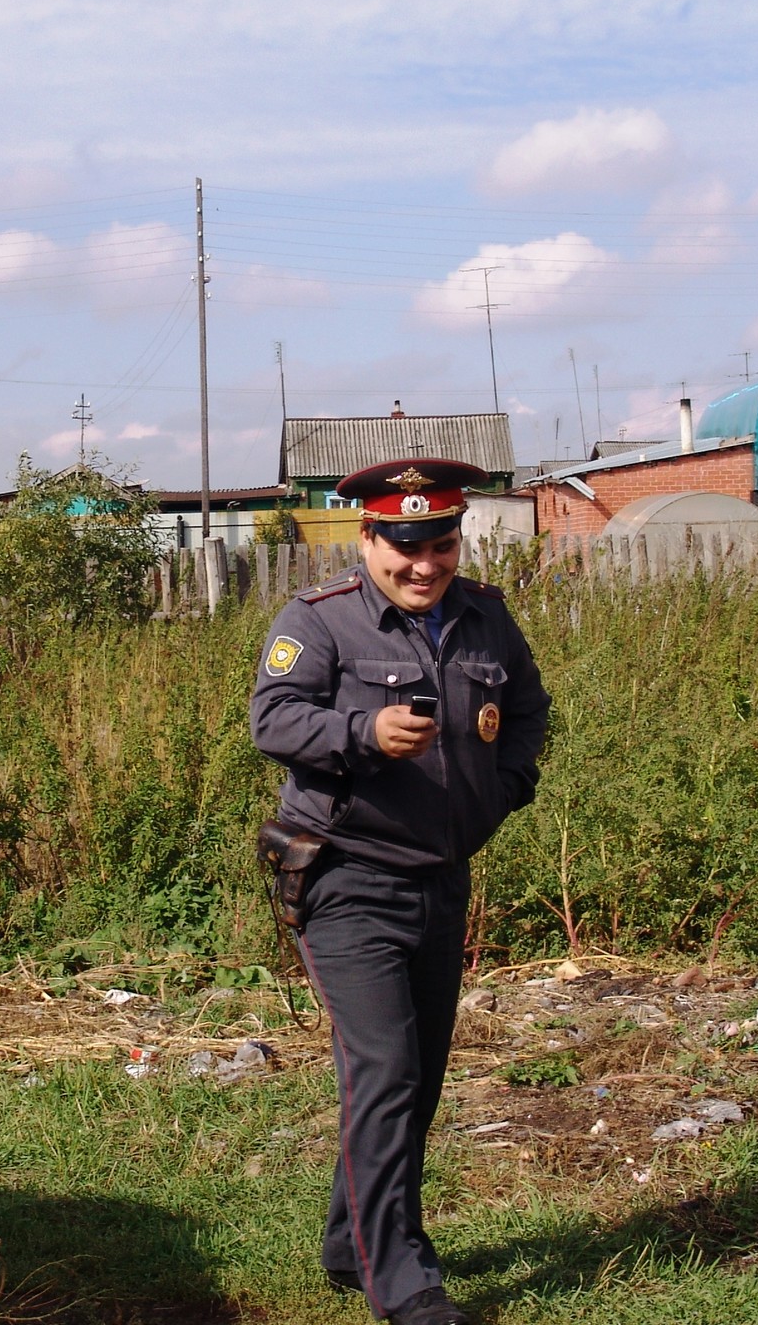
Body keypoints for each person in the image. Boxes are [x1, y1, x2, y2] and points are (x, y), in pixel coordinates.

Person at [250, 458, 551, 1325]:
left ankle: (354, 1244)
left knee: (416, 1077)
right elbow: (272, 718)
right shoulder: (321, 624)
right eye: (406, 547)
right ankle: (402, 1280)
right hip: (345, 875)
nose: (425, 566)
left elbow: (527, 712)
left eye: (442, 545)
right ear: (368, 538)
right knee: (384, 1067)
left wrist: (506, 789)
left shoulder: (487, 618)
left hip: (441, 877)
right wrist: (363, 732)